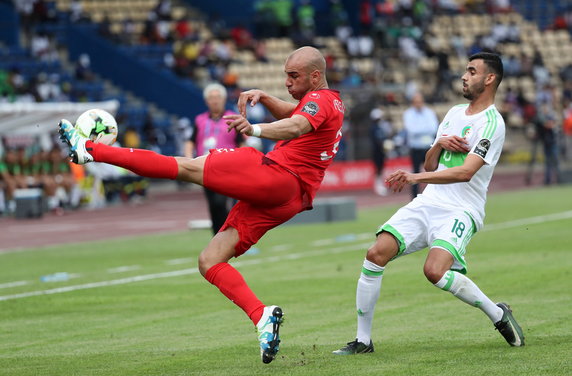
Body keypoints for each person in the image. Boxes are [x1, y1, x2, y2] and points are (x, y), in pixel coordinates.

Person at [58, 46, 344, 364]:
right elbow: (295, 115)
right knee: (210, 260)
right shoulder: (326, 102)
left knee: (183, 166)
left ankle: (89, 150)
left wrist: (255, 129)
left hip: (276, 176)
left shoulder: (322, 99)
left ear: (316, 76)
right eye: (286, 76)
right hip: (289, 199)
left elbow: (297, 126)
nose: (288, 82)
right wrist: (264, 98)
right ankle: (262, 316)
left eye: (294, 76)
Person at [333, 52, 525, 356]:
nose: (464, 75)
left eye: (472, 71)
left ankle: (498, 313)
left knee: (435, 271)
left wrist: (411, 177)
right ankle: (363, 341)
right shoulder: (453, 113)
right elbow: (431, 164)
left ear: (490, 79)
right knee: (375, 253)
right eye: (465, 70)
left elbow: (465, 172)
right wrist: (438, 144)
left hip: (462, 209)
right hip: (429, 202)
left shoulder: (492, 124)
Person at [186, 83, 246, 234]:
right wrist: (188, 159)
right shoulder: (199, 120)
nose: (215, 101)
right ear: (206, 101)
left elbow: (242, 143)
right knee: (214, 205)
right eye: (211, 98)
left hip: (229, 168)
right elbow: (190, 141)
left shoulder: (233, 118)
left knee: (228, 204)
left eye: (218, 97)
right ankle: (218, 238)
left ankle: (233, 236)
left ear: (224, 99)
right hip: (206, 168)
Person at [402, 92, 439, 199]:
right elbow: (411, 130)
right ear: (413, 103)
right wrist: (424, 130)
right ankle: (414, 199)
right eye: (416, 102)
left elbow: (433, 128)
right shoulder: (408, 114)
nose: (418, 104)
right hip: (415, 148)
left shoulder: (429, 112)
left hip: (428, 148)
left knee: (433, 173)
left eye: (420, 102)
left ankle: (435, 197)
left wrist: (419, 130)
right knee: (415, 173)